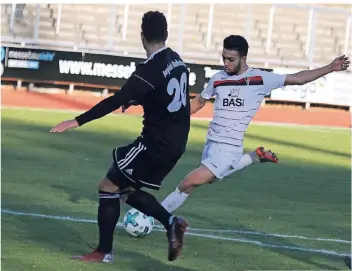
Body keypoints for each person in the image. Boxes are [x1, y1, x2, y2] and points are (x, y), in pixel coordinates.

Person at [50, 11, 191, 263]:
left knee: (107, 186)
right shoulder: (177, 60)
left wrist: (76, 120)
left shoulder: (147, 70)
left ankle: (104, 252)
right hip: (177, 143)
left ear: (141, 35)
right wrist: (139, 99)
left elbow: (114, 100)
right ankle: (171, 223)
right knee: (123, 190)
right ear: (166, 34)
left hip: (154, 143)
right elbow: (166, 95)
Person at [159, 35, 350, 214]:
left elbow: (299, 78)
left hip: (229, 147)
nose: (226, 63)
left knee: (187, 183)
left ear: (243, 58)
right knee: (210, 180)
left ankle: (152, 216)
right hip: (211, 142)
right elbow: (200, 101)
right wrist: (175, 119)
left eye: (231, 59)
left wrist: (330, 67)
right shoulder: (218, 79)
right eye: (223, 58)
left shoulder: (260, 79)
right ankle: (253, 158)